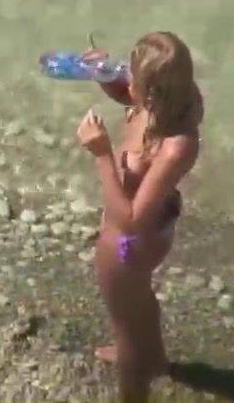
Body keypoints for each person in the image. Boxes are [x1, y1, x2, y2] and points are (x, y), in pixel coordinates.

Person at [76, 31, 204, 402]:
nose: (126, 80)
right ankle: (157, 360)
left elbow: (130, 219)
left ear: (151, 90)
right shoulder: (176, 101)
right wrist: (104, 76)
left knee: (126, 328)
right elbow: (130, 98)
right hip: (155, 228)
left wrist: (102, 154)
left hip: (129, 242)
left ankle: (134, 378)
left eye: (132, 76)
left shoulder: (177, 145)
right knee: (140, 302)